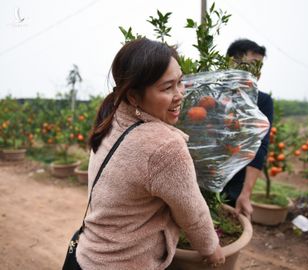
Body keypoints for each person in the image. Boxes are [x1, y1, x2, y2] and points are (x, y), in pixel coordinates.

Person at [75, 38, 225, 270]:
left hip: (87, 256)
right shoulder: (164, 146)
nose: (179, 94)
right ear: (134, 96)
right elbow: (192, 212)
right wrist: (211, 249)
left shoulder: (112, 119)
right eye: (167, 87)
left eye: (180, 82)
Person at [222, 38, 274, 218]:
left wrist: (246, 193)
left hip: (237, 181)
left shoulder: (263, 102)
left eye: (260, 66)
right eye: (253, 64)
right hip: (201, 178)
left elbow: (260, 146)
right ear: (232, 62)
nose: (257, 72)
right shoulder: (211, 94)